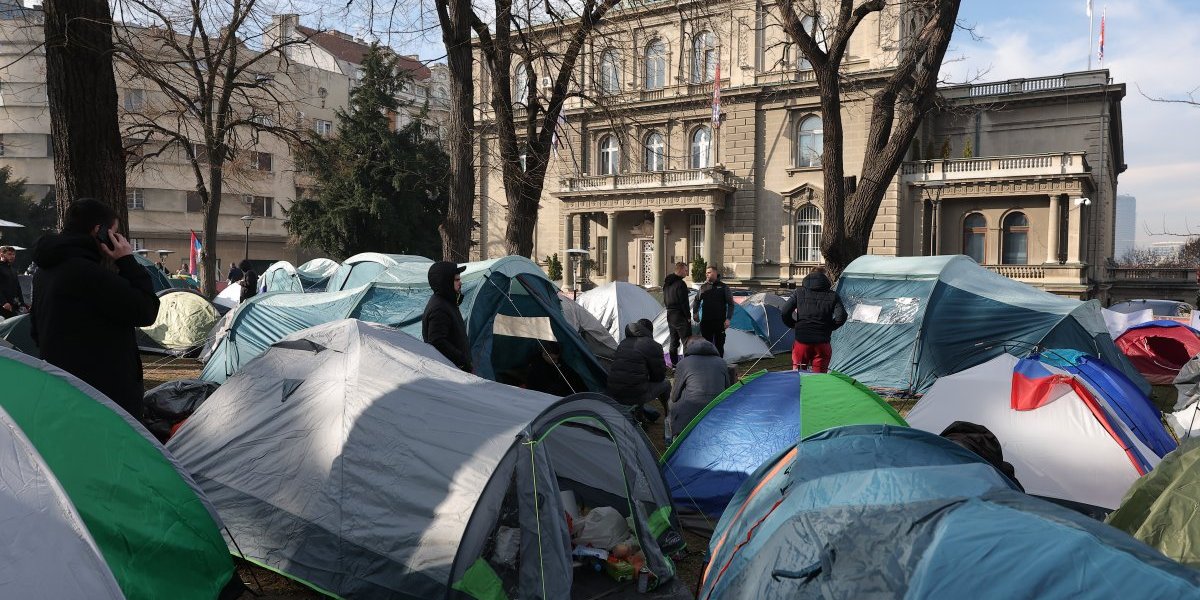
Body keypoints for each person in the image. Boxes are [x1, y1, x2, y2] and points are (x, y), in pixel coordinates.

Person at [30, 198, 160, 418]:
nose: (117, 239)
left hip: (62, 388)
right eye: (114, 233)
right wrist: (127, 260)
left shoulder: (44, 272)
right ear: (99, 231)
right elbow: (146, 309)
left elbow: (35, 329)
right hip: (103, 397)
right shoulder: (88, 274)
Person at [666, 336, 731, 445]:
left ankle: (671, 442)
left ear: (688, 348)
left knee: (670, 405)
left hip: (692, 413)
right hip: (718, 410)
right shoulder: (722, 362)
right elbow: (728, 390)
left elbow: (674, 396)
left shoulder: (683, 363)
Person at [781, 266, 846, 373]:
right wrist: (829, 328)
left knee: (798, 375)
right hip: (822, 342)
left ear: (809, 276)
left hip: (802, 341)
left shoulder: (799, 292)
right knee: (819, 379)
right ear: (825, 277)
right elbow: (841, 316)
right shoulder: (833, 295)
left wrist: (794, 325)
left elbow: (785, 312)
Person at [606, 318, 669, 424]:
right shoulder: (653, 345)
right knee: (666, 384)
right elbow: (659, 376)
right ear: (650, 331)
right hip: (633, 395)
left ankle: (639, 417)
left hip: (614, 392)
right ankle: (670, 418)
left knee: (637, 382)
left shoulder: (623, 343)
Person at [422, 261, 472, 371]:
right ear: (445, 282)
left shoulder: (448, 301)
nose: (460, 283)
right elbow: (437, 341)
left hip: (457, 369)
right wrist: (462, 360)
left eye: (460, 279)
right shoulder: (439, 308)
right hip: (452, 371)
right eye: (457, 280)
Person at [691, 265, 734, 357]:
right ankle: (707, 366)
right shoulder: (703, 287)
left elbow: (731, 304)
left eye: (709, 272)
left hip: (719, 322)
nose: (707, 274)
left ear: (715, 273)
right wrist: (695, 313)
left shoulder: (723, 287)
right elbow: (696, 300)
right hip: (706, 322)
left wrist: (728, 319)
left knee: (719, 345)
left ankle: (719, 365)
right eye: (706, 273)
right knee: (706, 346)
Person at [662, 261, 692, 366]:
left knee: (673, 341)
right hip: (679, 315)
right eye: (685, 270)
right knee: (686, 341)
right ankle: (688, 365)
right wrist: (688, 316)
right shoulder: (680, 284)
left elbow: (665, 300)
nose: (687, 273)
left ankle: (674, 364)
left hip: (670, 314)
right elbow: (684, 302)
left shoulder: (666, 284)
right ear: (680, 270)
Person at [0, 245, 25, 318]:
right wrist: (3, 302)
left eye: (14, 254)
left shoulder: (13, 270)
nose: (12, 256)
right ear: (1, 255)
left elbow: (18, 288)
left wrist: (22, 304)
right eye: (9, 254)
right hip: (2, 306)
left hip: (13, 306)